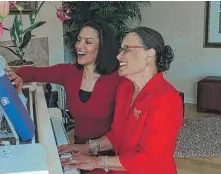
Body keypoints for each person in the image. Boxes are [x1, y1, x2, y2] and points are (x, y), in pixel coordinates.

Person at [58, 26, 184, 174]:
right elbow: (116, 135)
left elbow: (150, 159)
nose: (118, 56)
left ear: (149, 54)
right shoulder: (125, 88)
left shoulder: (167, 99)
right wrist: (87, 147)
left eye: (126, 49)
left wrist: (97, 161)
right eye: (120, 50)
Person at [6, 20, 124, 172]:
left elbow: (121, 133)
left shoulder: (119, 80)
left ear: (102, 48)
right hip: (79, 148)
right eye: (79, 39)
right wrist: (19, 76)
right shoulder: (70, 72)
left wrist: (88, 149)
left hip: (107, 157)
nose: (79, 46)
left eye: (88, 42)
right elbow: (35, 72)